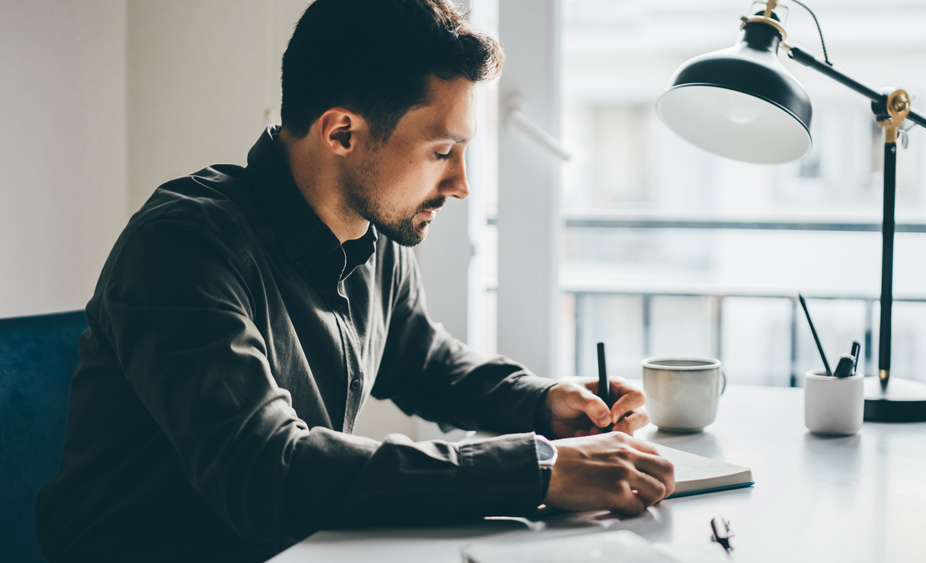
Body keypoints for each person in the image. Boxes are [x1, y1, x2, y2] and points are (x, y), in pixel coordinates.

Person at [35, 1, 675, 561]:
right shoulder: (182, 245)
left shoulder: (374, 229)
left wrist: (541, 402)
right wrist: (536, 469)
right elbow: (266, 472)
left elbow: (422, 360)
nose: (460, 184)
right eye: (440, 151)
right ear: (342, 132)